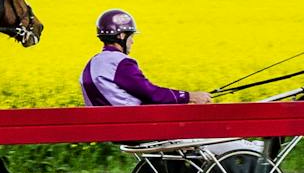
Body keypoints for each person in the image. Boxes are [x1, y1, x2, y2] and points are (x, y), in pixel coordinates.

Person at [80, 9, 214, 107]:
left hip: (109, 129)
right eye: (131, 37)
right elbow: (151, 94)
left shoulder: (92, 63)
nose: (132, 42)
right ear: (121, 36)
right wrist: (190, 96)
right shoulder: (120, 63)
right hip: (133, 126)